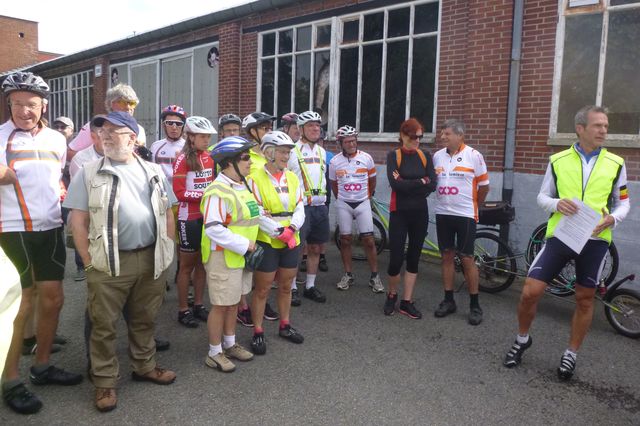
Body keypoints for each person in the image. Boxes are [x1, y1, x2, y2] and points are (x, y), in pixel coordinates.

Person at [503, 105, 630, 380]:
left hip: (595, 240)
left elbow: (624, 203)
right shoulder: (558, 160)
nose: (604, 130)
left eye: (606, 126)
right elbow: (542, 197)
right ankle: (522, 338)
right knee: (529, 291)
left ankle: (570, 354)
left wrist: (614, 220)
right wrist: (557, 203)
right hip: (561, 235)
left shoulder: (616, 163)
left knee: (584, 299)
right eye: (598, 125)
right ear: (580, 128)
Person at [65, 111, 177, 412]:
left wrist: (168, 250)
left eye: (115, 130)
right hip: (108, 263)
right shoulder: (88, 172)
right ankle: (104, 382)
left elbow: (168, 211)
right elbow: (78, 222)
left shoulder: (153, 170)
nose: (106, 135)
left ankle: (145, 366)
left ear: (133, 138)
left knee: (145, 318)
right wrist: (88, 263)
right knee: (104, 325)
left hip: (151, 257)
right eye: (102, 130)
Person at [0, 72, 82, 415]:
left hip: (49, 227)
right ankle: (10, 379)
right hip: (12, 229)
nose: (24, 110)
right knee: (19, 306)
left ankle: (43, 365)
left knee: (53, 299)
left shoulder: (56, 139)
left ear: (43, 105)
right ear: (9, 104)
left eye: (31, 104)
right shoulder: (1, 136)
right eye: (17, 103)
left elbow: (55, 180)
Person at [201, 136, 261, 370]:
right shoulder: (217, 191)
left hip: (239, 257)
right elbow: (214, 229)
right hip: (222, 257)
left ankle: (230, 343)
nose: (250, 162)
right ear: (228, 163)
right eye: (245, 158)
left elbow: (254, 215)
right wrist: (244, 245)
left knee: (233, 302)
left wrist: (279, 230)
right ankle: (214, 352)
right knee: (220, 304)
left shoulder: (241, 186)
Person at [247, 131, 305, 355]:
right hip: (268, 240)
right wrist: (279, 231)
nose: (286, 156)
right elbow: (257, 213)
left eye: (288, 152)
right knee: (262, 289)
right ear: (269, 152)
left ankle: (285, 325)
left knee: (286, 286)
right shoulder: (254, 179)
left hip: (291, 238)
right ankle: (258, 331)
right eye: (282, 151)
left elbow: (300, 207)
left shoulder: (292, 177)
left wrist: (291, 230)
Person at [432, 119, 490, 326]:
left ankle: (475, 305)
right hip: (443, 213)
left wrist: (474, 205)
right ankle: (449, 300)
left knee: (466, 258)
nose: (443, 137)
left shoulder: (474, 156)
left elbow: (484, 186)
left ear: (459, 135)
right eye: (442, 133)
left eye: (447, 133)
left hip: (465, 215)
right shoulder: (437, 156)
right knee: (446, 256)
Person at [383, 118, 437, 319]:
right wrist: (420, 181)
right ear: (403, 136)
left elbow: (432, 184)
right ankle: (392, 294)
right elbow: (395, 185)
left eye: (420, 137)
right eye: (414, 137)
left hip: (419, 213)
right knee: (396, 259)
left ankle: (406, 301)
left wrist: (409, 182)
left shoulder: (425, 156)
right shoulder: (393, 156)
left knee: (414, 258)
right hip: (399, 213)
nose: (417, 141)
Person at [235, 112, 280, 326]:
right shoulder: (243, 155)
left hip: (265, 220)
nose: (268, 131)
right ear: (252, 131)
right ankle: (242, 305)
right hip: (245, 216)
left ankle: (259, 301)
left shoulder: (267, 155)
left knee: (259, 265)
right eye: (264, 128)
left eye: (270, 127)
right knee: (244, 265)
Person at [173, 117, 216, 327]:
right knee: (186, 266)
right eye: (202, 136)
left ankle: (198, 305)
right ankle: (183, 309)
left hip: (207, 216)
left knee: (202, 264)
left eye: (208, 136)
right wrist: (205, 195)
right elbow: (179, 192)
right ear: (190, 137)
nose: (206, 140)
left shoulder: (210, 157)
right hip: (188, 218)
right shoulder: (182, 160)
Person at [329, 125, 383, 293]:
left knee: (369, 240)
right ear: (341, 143)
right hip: (344, 203)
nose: (351, 144)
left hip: (362, 202)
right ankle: (348, 274)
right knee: (345, 240)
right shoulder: (335, 161)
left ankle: (375, 276)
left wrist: (366, 196)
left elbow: (372, 181)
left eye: (353, 141)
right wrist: (343, 199)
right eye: (347, 142)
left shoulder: (367, 158)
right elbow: (334, 185)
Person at [287, 111, 329, 304]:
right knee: (296, 249)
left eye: (318, 126)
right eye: (311, 125)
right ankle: (292, 287)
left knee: (315, 248)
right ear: (301, 129)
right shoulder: (291, 151)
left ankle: (310, 286)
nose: (315, 129)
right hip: (301, 208)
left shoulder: (321, 152)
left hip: (320, 207)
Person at [67, 83, 147, 155]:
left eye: (132, 103)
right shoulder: (94, 126)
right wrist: (95, 164)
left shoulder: (140, 130)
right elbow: (70, 152)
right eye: (123, 102)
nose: (128, 107)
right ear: (111, 104)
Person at [150, 105, 187, 186]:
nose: (174, 127)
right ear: (163, 125)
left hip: (181, 194)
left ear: (183, 126)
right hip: (161, 194)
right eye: (169, 123)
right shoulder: (155, 146)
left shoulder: (189, 147)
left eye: (178, 124)